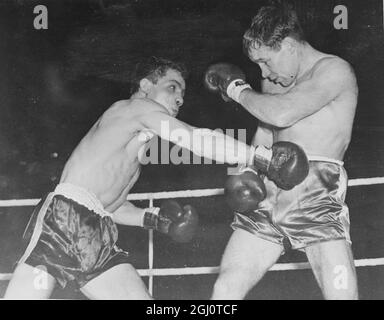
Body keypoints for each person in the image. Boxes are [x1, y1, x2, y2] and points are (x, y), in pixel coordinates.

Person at [5, 56, 308, 299]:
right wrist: (261, 158)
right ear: (146, 85)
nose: (180, 98)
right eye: (172, 87)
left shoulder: (137, 148)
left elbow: (109, 206)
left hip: (97, 231)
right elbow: (197, 139)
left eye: (183, 93)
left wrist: (155, 220)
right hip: (62, 219)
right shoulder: (133, 108)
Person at [205, 4, 358, 300]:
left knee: (340, 295)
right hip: (269, 187)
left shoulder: (334, 70)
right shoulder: (273, 81)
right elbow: (266, 131)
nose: (264, 72)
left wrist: (236, 89)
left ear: (288, 46)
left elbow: (282, 114)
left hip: (316, 194)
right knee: (225, 288)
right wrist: (246, 170)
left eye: (266, 61)